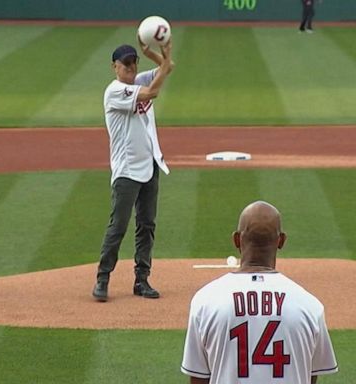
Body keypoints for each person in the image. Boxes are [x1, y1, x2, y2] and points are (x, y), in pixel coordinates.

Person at [181, 201, 338, 384]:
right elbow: (309, 376)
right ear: (281, 241)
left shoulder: (205, 301)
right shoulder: (310, 306)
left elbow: (198, 378)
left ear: (236, 239)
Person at [92, 38, 174, 302]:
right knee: (118, 226)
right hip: (127, 170)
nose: (129, 67)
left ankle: (142, 280)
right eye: (124, 63)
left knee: (147, 224)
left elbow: (167, 68)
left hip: (150, 164)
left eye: (132, 62)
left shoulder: (138, 80)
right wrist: (156, 67)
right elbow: (151, 93)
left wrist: (158, 53)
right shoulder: (114, 91)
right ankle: (103, 278)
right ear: (114, 66)